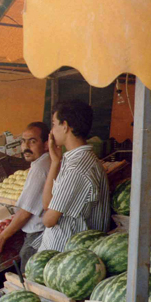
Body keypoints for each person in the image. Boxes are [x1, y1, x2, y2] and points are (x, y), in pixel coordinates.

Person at [36, 100, 110, 252]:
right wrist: (55, 162)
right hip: (64, 254)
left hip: (65, 256)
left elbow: (49, 220)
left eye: (54, 124)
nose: (51, 131)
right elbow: (47, 204)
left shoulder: (78, 169)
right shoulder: (75, 161)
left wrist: (47, 215)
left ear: (65, 126)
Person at [0, 122, 51, 271]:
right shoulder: (41, 164)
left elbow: (25, 213)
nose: (26, 146)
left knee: (29, 277)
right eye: (23, 141)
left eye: (33, 141)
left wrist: (2, 236)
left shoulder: (41, 169)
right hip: (39, 233)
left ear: (46, 144)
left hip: (37, 236)